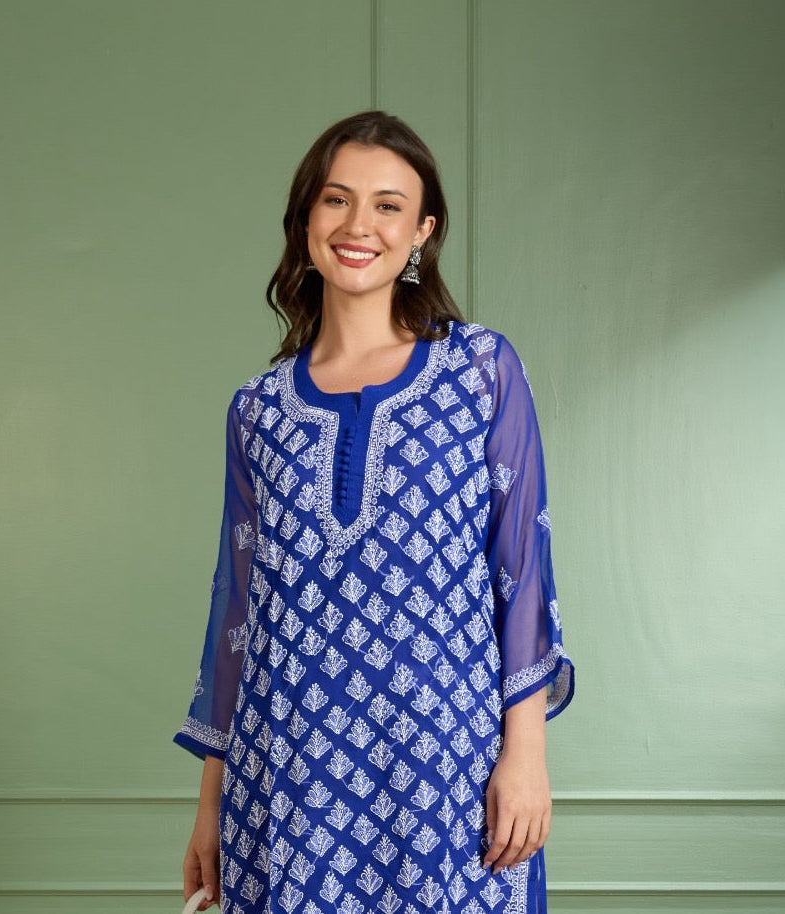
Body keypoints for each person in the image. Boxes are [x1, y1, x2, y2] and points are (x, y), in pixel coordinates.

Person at [174, 110, 574, 914]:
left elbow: (520, 568)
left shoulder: (481, 370)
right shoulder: (257, 409)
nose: (360, 225)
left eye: (388, 205)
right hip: (287, 778)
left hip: (444, 768)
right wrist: (209, 803)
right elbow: (240, 613)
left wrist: (523, 753)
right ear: (305, 221)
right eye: (336, 200)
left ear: (421, 231)